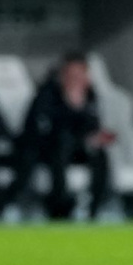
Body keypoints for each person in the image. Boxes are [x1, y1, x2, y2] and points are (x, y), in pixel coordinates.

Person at [20, 53, 113, 220]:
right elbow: (42, 128)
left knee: (100, 155)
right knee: (62, 145)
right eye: (72, 74)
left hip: (79, 148)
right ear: (63, 74)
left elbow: (92, 125)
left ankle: (95, 208)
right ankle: (60, 208)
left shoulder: (90, 95)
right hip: (50, 149)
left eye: (80, 74)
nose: (76, 79)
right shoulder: (48, 94)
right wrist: (71, 105)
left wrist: (96, 137)